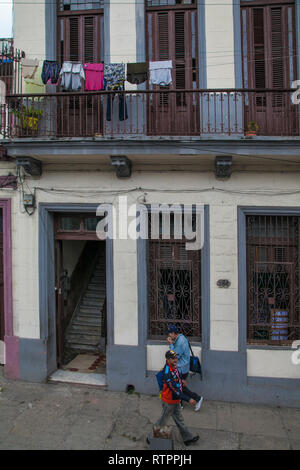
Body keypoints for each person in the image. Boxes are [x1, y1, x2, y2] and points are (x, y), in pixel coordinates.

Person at [154, 350, 199, 446]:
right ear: (167, 359)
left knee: (179, 420)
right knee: (163, 420)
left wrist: (181, 381)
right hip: (169, 401)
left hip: (175, 400)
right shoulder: (167, 372)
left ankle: (188, 439)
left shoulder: (173, 368)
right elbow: (175, 390)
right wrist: (188, 399)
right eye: (172, 358)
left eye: (176, 357)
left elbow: (177, 380)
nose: (175, 360)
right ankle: (152, 437)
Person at [166, 324, 203, 411]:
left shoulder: (180, 342)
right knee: (179, 387)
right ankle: (180, 404)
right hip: (182, 368)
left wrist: (171, 344)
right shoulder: (180, 338)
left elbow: (174, 356)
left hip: (181, 369)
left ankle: (197, 398)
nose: (169, 336)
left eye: (170, 334)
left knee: (181, 388)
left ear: (174, 333)